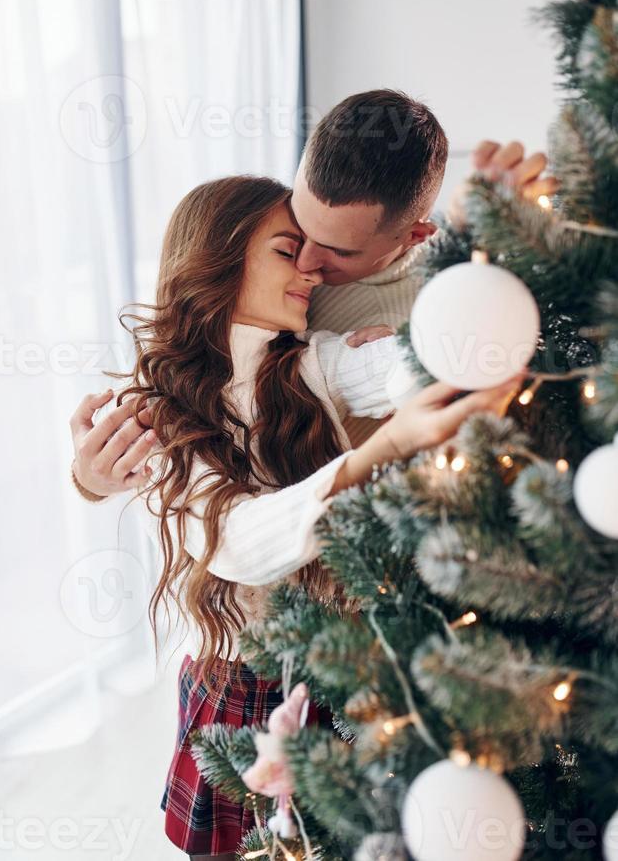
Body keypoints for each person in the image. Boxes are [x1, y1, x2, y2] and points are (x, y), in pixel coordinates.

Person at [70, 174, 522, 859]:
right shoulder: (157, 410)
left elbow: (405, 370)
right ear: (218, 262)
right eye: (289, 251)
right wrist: (382, 450)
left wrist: (453, 306)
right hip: (240, 687)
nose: (311, 268)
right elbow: (235, 543)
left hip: (346, 665)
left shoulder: (313, 363)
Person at [70, 88, 557, 494]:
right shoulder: (258, 262)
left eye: (334, 252)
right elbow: (171, 401)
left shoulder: (445, 292)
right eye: (297, 236)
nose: (306, 266)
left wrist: (501, 243)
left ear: (414, 237)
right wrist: (92, 478)